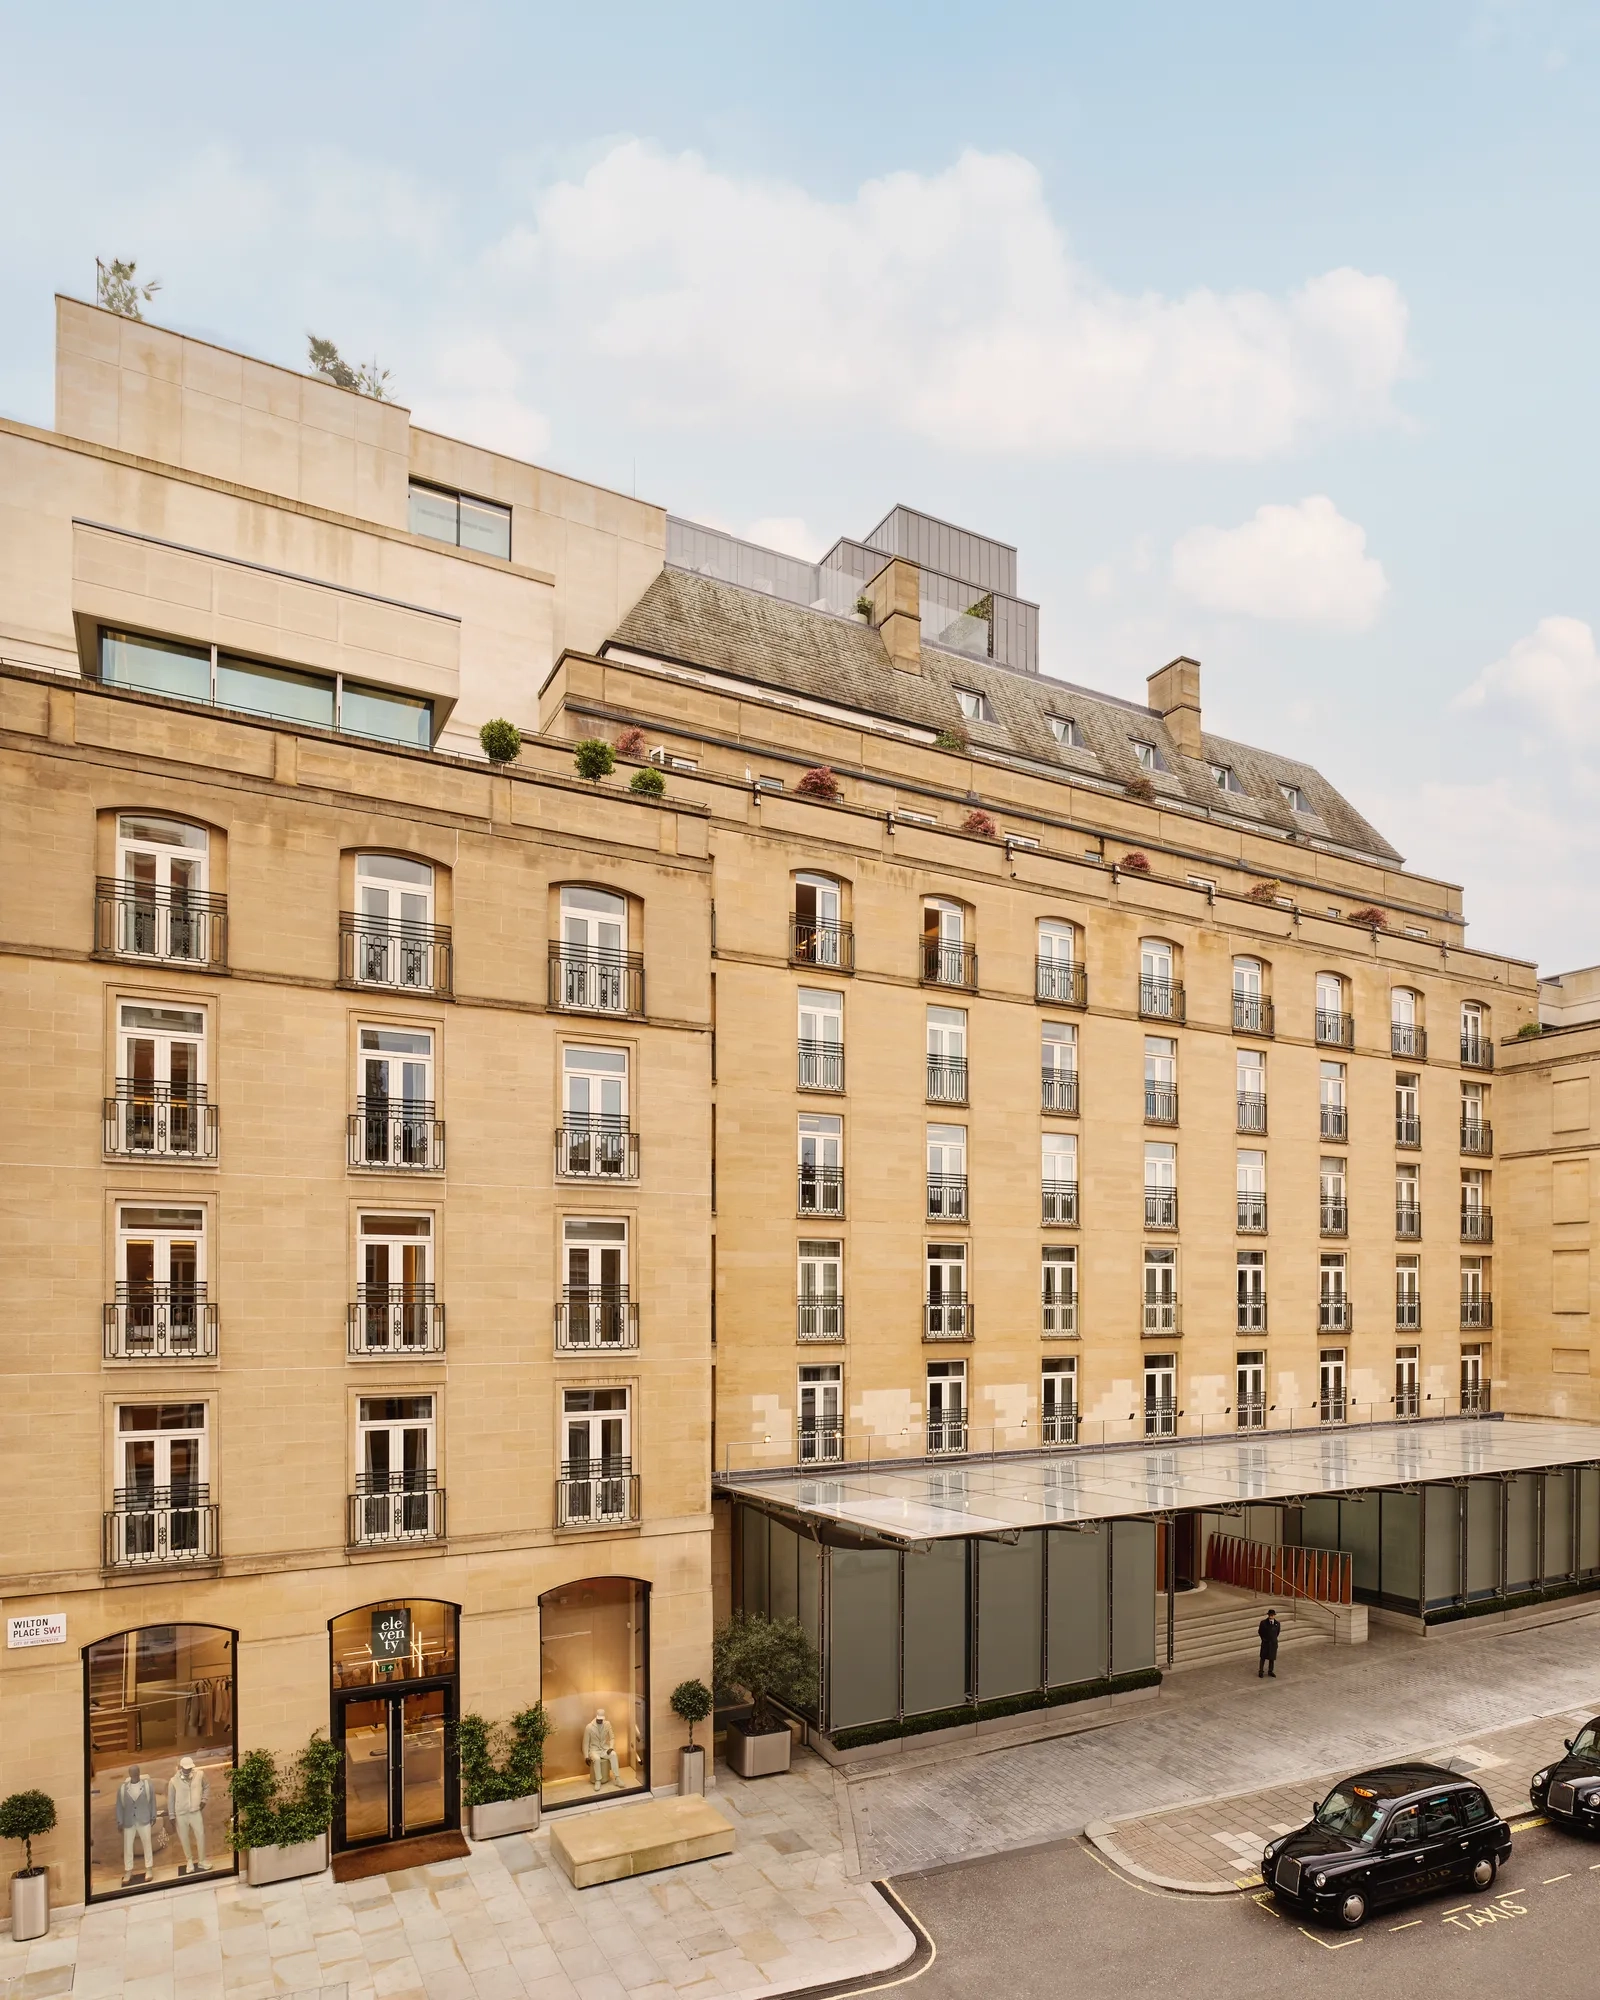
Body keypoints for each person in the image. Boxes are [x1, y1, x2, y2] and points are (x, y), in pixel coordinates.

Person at [167, 1756, 210, 1875]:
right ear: (180, 1768)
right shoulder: (173, 1781)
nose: (188, 1770)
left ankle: (202, 1860)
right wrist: (171, 1815)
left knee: (200, 1835)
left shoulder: (200, 1775)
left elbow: (206, 1786)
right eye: (185, 1768)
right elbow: (170, 1799)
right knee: (184, 1838)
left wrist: (204, 1800)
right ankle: (189, 1861)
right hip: (181, 1813)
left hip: (195, 1811)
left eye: (189, 1768)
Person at [116, 1764, 156, 1884]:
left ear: (139, 1773)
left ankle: (149, 1868)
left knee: (147, 1844)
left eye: (136, 1772)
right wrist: (120, 1821)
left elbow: (152, 1801)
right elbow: (119, 1806)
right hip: (129, 1821)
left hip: (144, 1819)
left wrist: (153, 1815)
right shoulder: (123, 1789)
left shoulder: (147, 1786)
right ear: (129, 1774)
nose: (134, 1774)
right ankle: (128, 1871)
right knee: (128, 1847)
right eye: (132, 1773)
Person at [582, 1708, 619, 1790]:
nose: (600, 1721)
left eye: (601, 1719)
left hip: (604, 1749)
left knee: (613, 1754)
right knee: (596, 1759)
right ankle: (598, 1780)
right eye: (598, 1719)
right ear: (596, 1717)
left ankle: (617, 1778)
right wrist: (586, 1756)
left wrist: (611, 1747)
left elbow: (612, 1737)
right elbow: (585, 1743)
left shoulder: (607, 1724)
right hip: (594, 1750)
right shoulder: (589, 1727)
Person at [1257, 1607, 1281, 1679]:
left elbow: (1277, 1633)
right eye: (1270, 1615)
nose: (1271, 1616)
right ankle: (1261, 1671)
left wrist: (1273, 1639)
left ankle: (1270, 1671)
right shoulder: (1263, 1623)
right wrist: (1264, 1639)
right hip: (1266, 1643)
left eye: (1272, 1615)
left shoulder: (1277, 1623)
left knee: (1272, 1658)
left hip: (1273, 1643)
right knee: (1263, 1657)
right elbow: (1260, 1632)